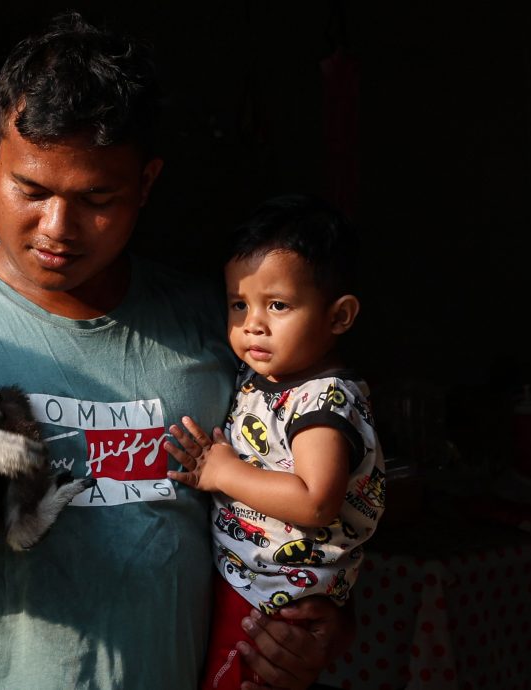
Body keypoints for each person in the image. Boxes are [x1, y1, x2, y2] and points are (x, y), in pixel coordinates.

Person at [0, 13, 353, 690]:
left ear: (146, 183)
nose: (56, 229)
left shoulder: (224, 329)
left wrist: (322, 623)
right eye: (31, 190)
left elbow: (310, 514)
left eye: (96, 198)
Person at [164, 194, 384, 689]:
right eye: (239, 304)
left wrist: (223, 473)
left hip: (272, 601)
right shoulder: (268, 375)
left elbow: (316, 500)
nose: (252, 323)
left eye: (278, 305)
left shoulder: (323, 402)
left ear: (340, 316)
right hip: (253, 583)